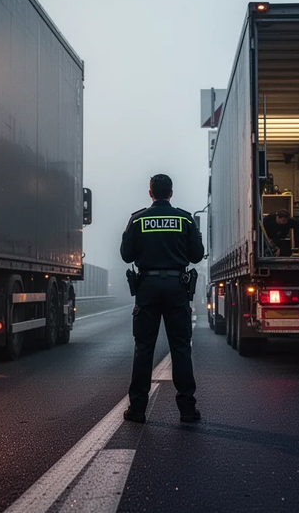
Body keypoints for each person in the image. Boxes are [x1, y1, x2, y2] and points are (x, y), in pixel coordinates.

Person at [120, 174, 205, 423]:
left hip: (147, 287)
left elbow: (126, 256)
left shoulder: (138, 219)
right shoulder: (185, 219)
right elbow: (197, 255)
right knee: (180, 348)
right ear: (171, 193)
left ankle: (137, 410)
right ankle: (187, 410)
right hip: (177, 288)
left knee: (144, 348)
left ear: (150, 193)